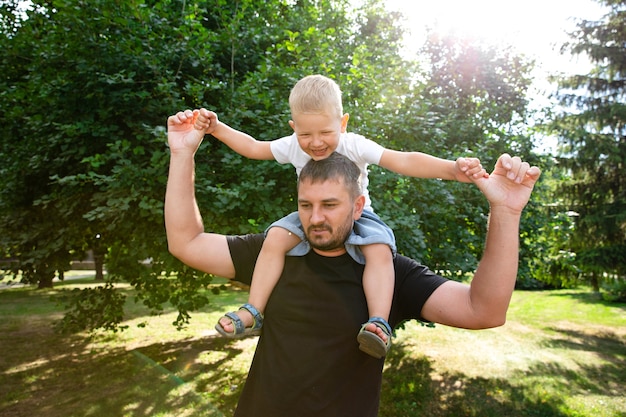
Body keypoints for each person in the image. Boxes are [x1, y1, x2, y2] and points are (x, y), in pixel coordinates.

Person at [165, 108, 541, 417]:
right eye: (305, 205)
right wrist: (182, 154)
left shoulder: (388, 272)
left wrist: (505, 212)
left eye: (329, 205)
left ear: (358, 206)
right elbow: (186, 242)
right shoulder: (276, 253)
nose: (314, 218)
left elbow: (485, 310)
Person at [193, 74, 487, 358]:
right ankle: (254, 310)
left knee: (379, 250)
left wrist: (451, 170)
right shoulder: (294, 145)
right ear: (294, 127)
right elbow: (254, 148)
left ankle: (378, 322)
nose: (316, 142)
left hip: (359, 218)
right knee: (275, 237)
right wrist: (217, 129)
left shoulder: (353, 144)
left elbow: (402, 159)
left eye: (325, 132)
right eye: (305, 133)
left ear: (342, 123)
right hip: (311, 217)